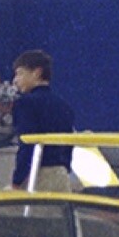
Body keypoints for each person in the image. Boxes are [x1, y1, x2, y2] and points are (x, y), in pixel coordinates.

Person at [10, 49, 75, 192]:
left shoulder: (25, 103)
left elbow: (28, 146)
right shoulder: (64, 105)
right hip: (62, 177)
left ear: (37, 73)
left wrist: (17, 180)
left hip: (36, 176)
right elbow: (69, 145)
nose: (15, 80)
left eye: (20, 73)